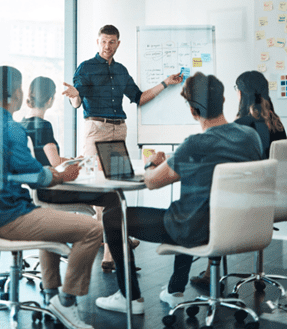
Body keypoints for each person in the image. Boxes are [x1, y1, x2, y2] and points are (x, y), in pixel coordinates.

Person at [95, 72, 263, 315]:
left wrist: (153, 163)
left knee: (112, 217)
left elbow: (152, 183)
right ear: (223, 100)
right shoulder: (250, 137)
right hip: (238, 225)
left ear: (193, 111)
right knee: (188, 206)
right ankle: (175, 291)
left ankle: (129, 296)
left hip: (197, 230)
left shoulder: (195, 144)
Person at [0, 66, 102, 329]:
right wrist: (61, 175)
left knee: (50, 219)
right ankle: (66, 302)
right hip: (10, 217)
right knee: (93, 229)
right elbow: (39, 178)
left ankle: (51, 296)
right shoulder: (11, 129)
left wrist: (45, 173)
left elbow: (9, 173)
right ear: (18, 94)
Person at [62, 24, 182, 270]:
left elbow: (138, 97)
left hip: (119, 128)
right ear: (97, 42)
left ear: (118, 43)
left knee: (117, 185)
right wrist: (75, 94)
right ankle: (109, 252)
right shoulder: (86, 67)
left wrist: (165, 83)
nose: (108, 46)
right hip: (96, 129)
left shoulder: (120, 70)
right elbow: (77, 101)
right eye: (104, 41)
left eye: (112, 42)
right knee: (101, 187)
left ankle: (116, 236)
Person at [20, 76, 141, 271]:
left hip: (33, 193)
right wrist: (79, 161)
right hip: (52, 192)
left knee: (108, 199)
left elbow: (45, 160)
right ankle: (119, 251)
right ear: (50, 100)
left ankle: (119, 240)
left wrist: (72, 159)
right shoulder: (43, 126)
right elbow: (55, 162)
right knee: (112, 197)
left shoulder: (21, 125)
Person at [190, 70, 287, 289]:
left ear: (241, 93)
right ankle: (211, 269)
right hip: (275, 195)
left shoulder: (242, 125)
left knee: (209, 202)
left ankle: (209, 273)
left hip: (251, 196)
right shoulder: (276, 123)